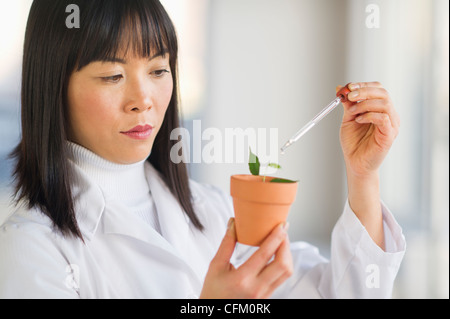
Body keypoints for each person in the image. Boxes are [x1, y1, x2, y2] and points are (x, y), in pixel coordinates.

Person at [0, 0, 405, 299]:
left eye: (159, 70)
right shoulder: (31, 249)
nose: (143, 99)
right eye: (113, 75)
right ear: (53, 87)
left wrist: (362, 175)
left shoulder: (214, 213)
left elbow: (340, 293)